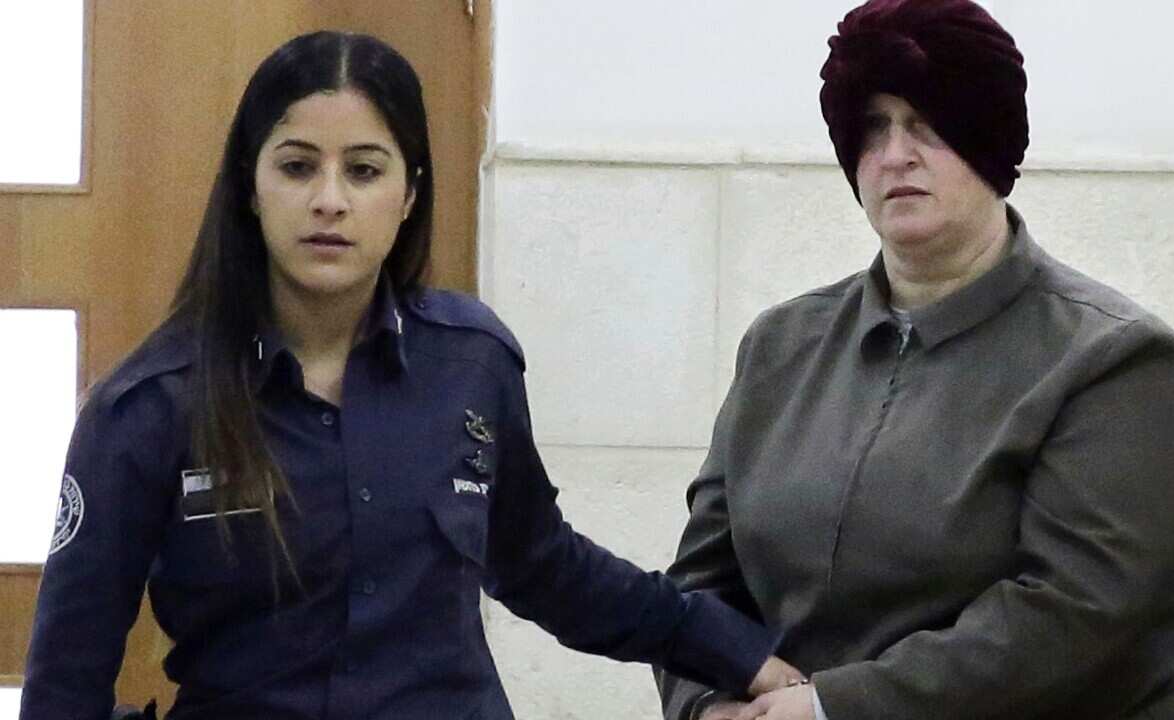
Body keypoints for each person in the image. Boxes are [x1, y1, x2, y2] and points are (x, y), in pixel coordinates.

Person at [20, 31, 801, 720]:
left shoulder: (470, 362)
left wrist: (735, 654)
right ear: (251, 190)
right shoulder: (149, 406)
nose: (329, 200)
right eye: (297, 167)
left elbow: (545, 567)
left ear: (408, 196)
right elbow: (65, 681)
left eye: (364, 171)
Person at [655, 1, 1174, 719]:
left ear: (989, 143)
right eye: (873, 129)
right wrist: (708, 705)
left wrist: (834, 707)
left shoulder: (1114, 359)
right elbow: (704, 581)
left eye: (927, 125)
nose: (895, 156)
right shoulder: (780, 348)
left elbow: (1078, 615)